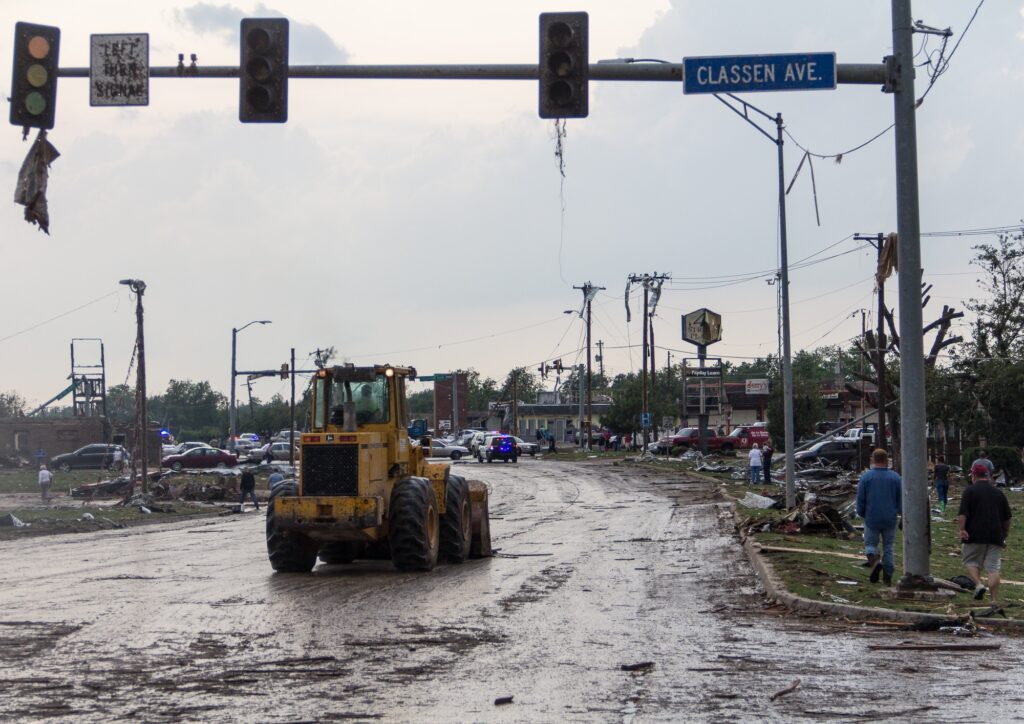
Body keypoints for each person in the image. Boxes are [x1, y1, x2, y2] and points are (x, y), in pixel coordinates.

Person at [958, 462, 1012, 602]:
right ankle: (993, 600)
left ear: (974, 475)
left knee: (971, 561)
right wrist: (1004, 533)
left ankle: (979, 584)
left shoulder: (969, 491)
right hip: (995, 535)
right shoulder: (998, 492)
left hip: (974, 534)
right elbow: (1007, 518)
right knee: (993, 568)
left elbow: (963, 514)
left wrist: (962, 529)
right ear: (987, 475)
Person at [856, 448, 902, 585]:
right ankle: (888, 575)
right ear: (886, 460)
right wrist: (901, 513)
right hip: (890, 517)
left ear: (873, 459)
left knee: (870, 544)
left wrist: (861, 512)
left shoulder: (866, 477)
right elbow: (900, 499)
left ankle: (875, 561)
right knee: (888, 546)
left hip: (872, 516)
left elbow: (861, 498)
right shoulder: (895, 478)